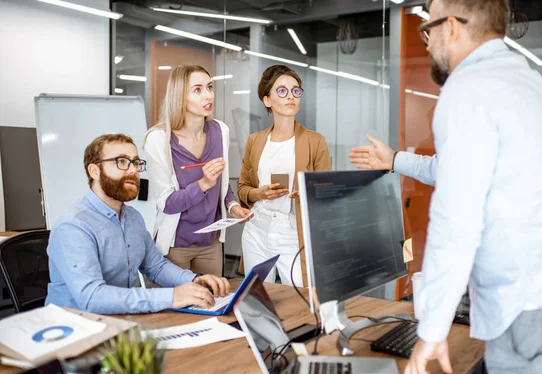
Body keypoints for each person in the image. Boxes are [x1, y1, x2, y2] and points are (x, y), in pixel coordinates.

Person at [350, 0, 542, 374]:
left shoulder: (468, 88)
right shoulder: (527, 82)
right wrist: (395, 159)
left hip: (533, 313)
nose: (427, 42)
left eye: (427, 30)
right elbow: (465, 171)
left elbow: (456, 221)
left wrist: (431, 329)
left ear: (451, 28)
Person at [46, 134, 231, 314]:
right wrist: (171, 296)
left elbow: (156, 266)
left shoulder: (133, 217)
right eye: (122, 161)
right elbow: (92, 297)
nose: (133, 170)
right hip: (74, 330)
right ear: (94, 171)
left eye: (135, 162)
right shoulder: (73, 227)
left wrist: (193, 280)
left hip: (120, 322)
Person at [145, 65, 251, 277]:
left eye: (210, 87)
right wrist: (202, 185)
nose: (208, 95)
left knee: (213, 302)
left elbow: (222, 186)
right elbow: (166, 203)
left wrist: (233, 206)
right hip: (176, 245)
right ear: (179, 96)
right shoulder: (158, 140)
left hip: (211, 244)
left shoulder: (220, 131)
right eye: (198, 90)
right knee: (179, 308)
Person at [238, 65, 331, 287]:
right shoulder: (255, 140)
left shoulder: (315, 141)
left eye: (295, 91)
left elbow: (328, 192)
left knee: (302, 295)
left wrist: (309, 192)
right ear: (267, 100)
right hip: (257, 227)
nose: (291, 96)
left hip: (292, 230)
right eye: (282, 91)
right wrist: (258, 193)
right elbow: (243, 187)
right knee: (256, 296)